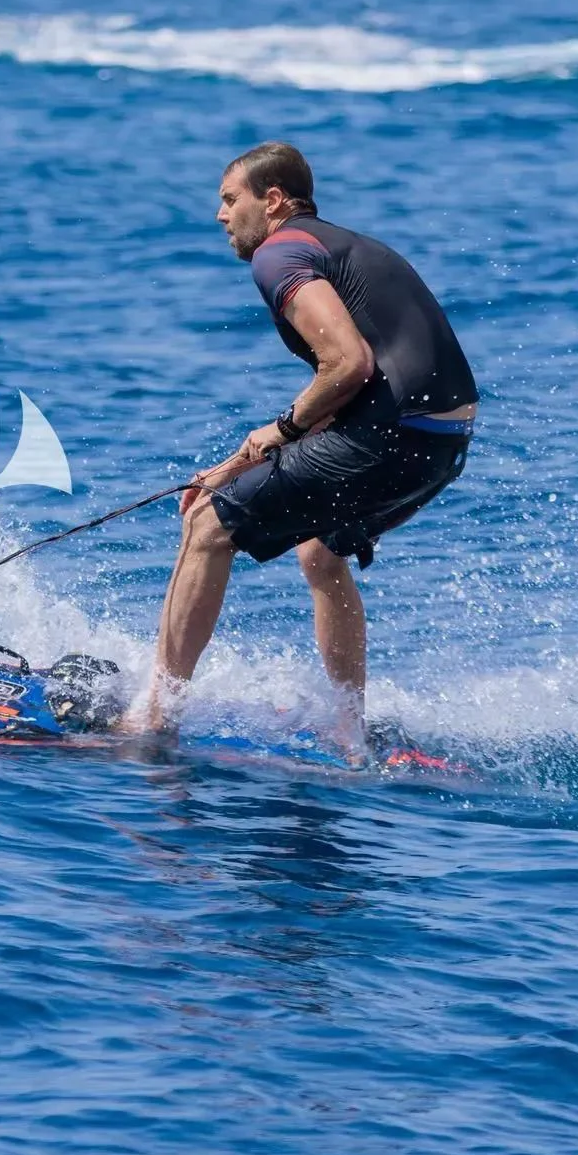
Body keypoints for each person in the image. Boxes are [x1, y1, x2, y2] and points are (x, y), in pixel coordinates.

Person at [131, 141, 477, 748]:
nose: (219, 215)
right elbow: (367, 384)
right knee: (319, 551)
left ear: (272, 200)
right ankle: (349, 729)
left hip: (392, 434)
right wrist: (237, 462)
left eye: (229, 199)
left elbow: (348, 365)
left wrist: (278, 431)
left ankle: (156, 716)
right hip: (443, 444)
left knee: (207, 524)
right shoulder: (344, 246)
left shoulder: (279, 251)